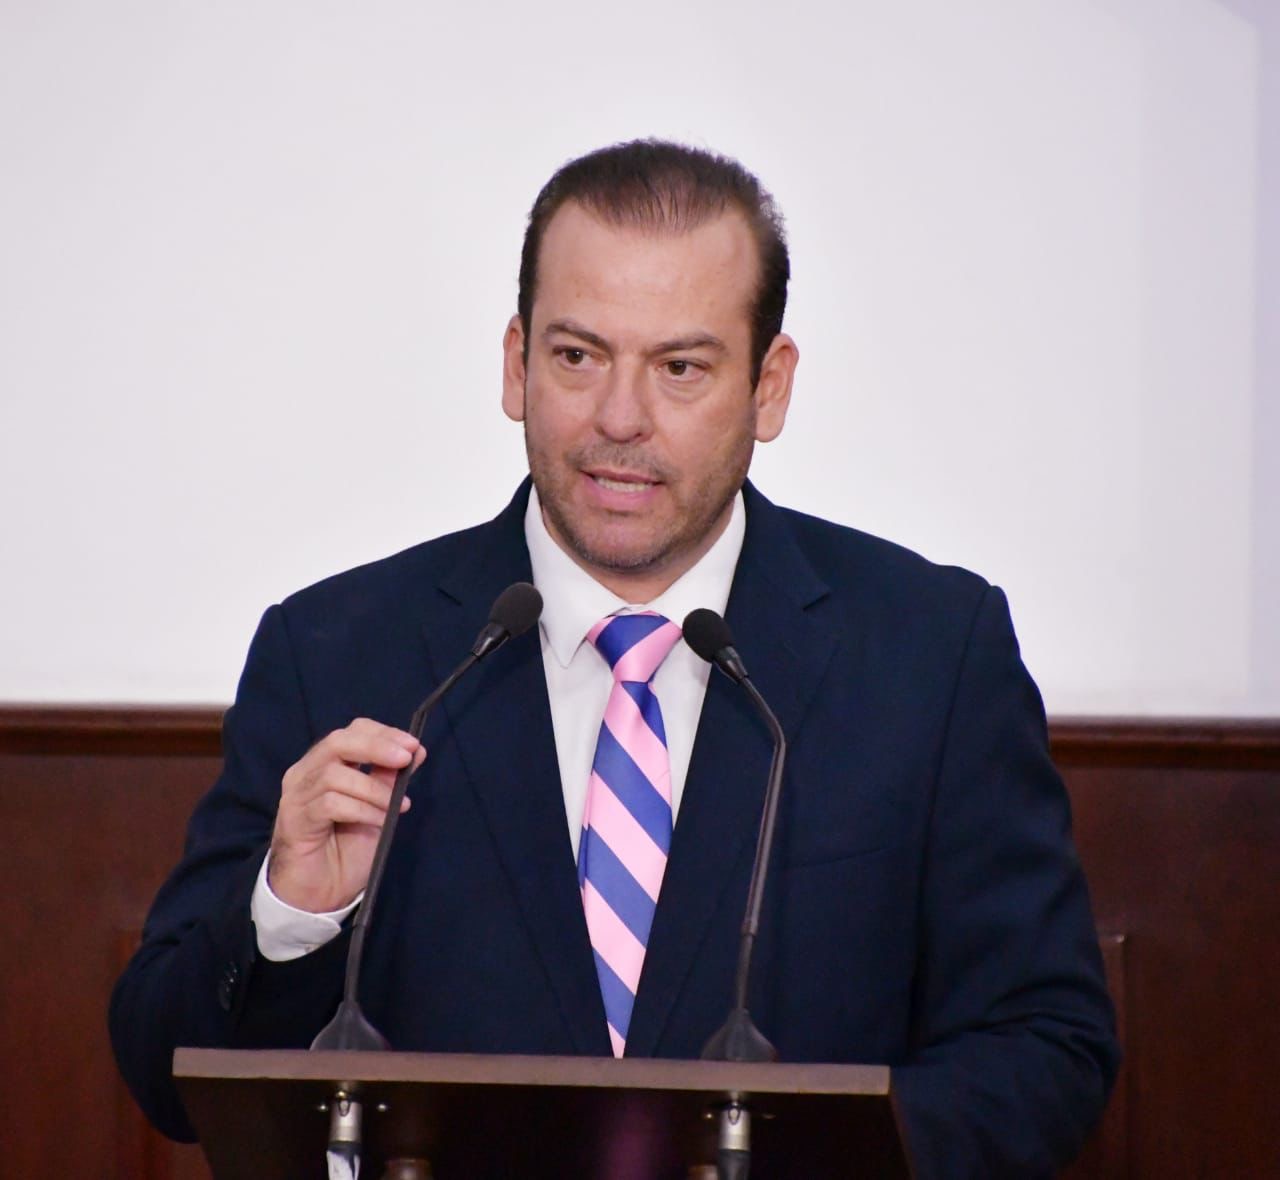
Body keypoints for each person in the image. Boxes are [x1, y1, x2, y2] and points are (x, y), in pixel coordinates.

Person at [110, 140, 1118, 1176]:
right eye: (578, 356)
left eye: (680, 368)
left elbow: (1046, 1047)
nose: (619, 419)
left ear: (768, 387)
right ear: (516, 365)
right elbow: (162, 1070)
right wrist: (290, 917)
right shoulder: (337, 651)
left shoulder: (929, 655)